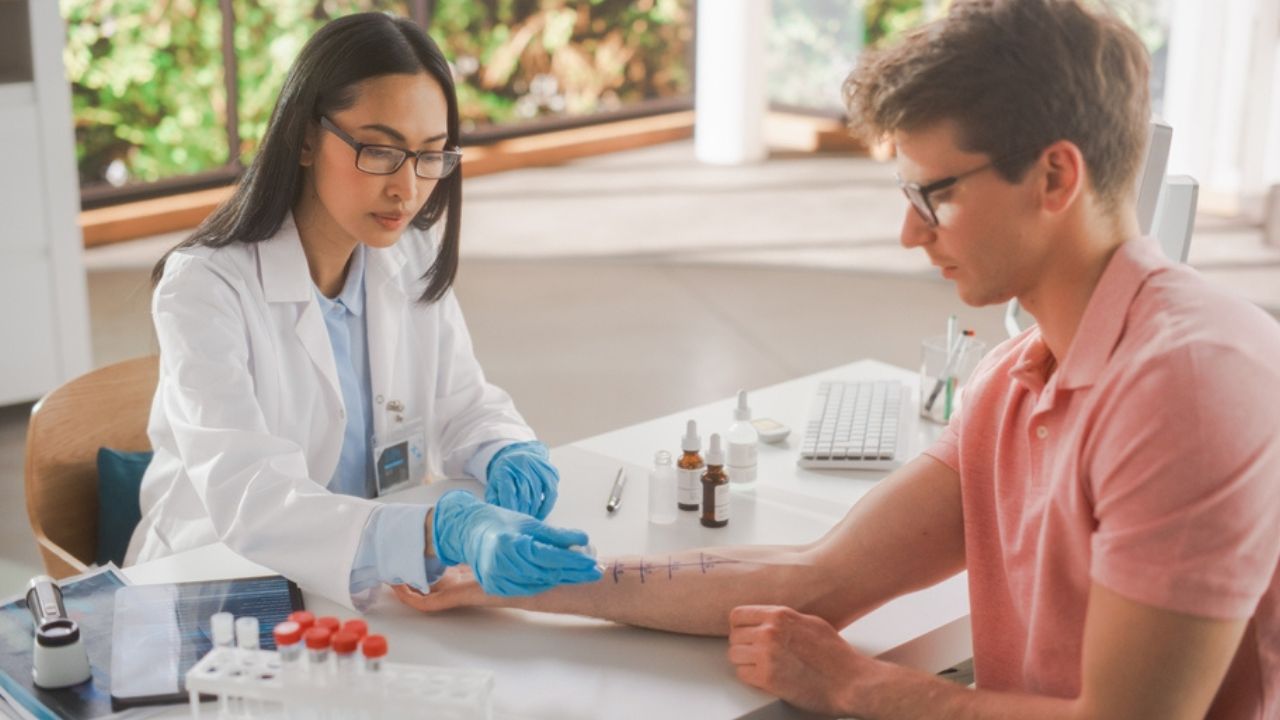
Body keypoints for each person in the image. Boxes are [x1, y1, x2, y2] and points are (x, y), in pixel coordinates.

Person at [395, 1, 1280, 717]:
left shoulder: (1190, 384)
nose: (908, 234)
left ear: (1054, 178)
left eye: (934, 196)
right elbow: (821, 576)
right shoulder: (1015, 378)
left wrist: (862, 687)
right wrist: (524, 582)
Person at [124, 13, 601, 609]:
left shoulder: (407, 251)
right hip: (220, 588)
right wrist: (438, 530)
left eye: (430, 156)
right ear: (304, 137)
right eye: (381, 151)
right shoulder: (203, 287)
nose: (407, 189)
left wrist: (505, 447)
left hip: (368, 577)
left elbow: (461, 402)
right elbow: (253, 499)